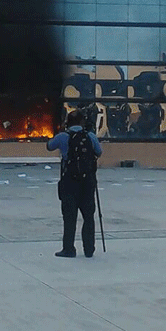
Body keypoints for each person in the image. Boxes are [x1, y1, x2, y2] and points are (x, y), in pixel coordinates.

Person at [47, 109, 102, 258]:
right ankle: (89, 249)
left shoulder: (63, 137)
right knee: (88, 216)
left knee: (69, 217)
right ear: (82, 122)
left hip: (69, 182)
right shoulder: (90, 136)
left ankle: (69, 249)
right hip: (88, 182)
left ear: (67, 122)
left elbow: (49, 146)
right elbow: (99, 151)